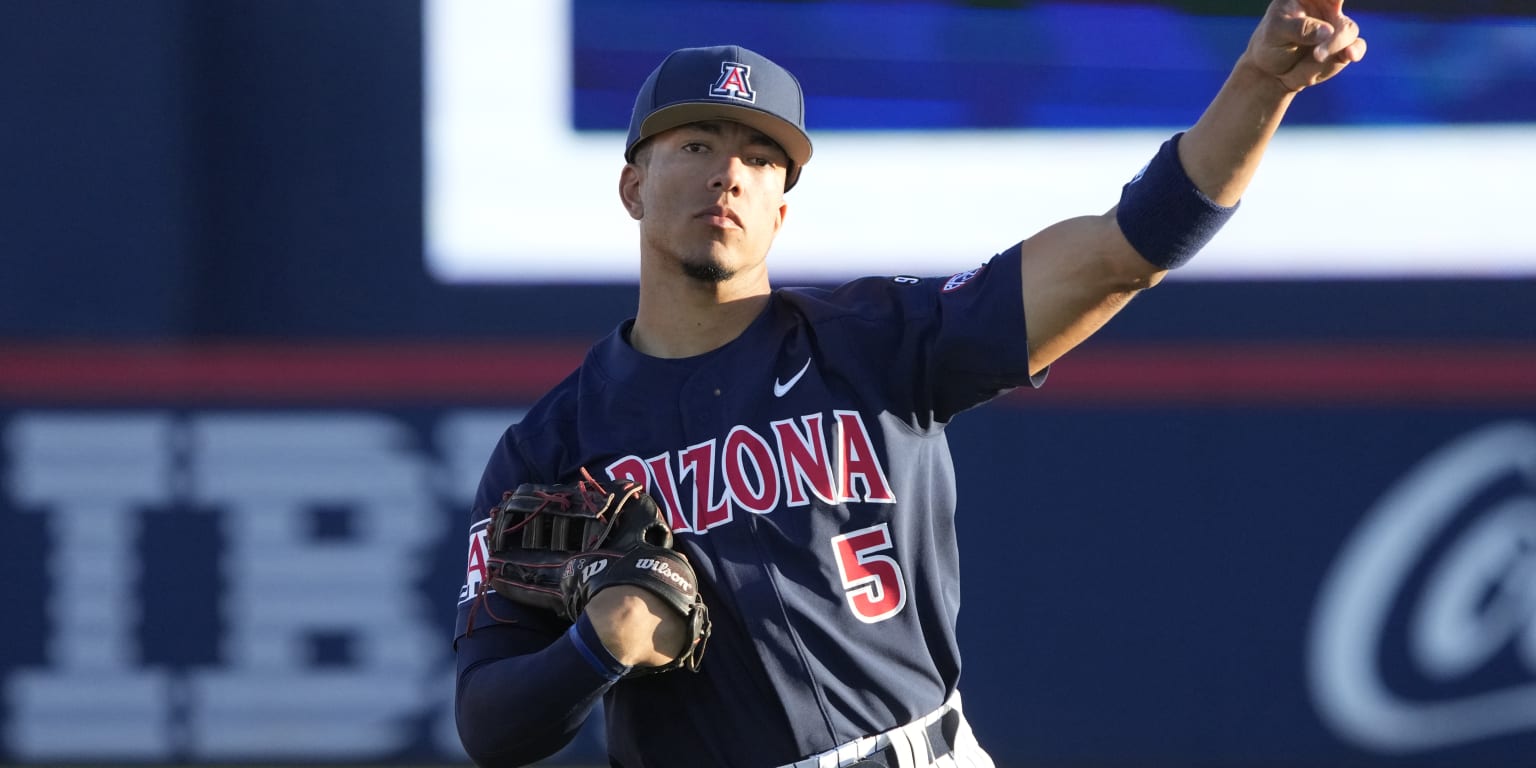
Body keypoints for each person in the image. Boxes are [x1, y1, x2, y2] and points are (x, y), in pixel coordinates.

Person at [454, 1, 1366, 765]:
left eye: (761, 157)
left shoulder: (879, 342)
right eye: (694, 144)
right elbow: (490, 724)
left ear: (782, 203)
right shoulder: (554, 445)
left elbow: (1125, 250)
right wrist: (593, 648)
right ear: (632, 186)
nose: (728, 174)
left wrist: (1260, 83)